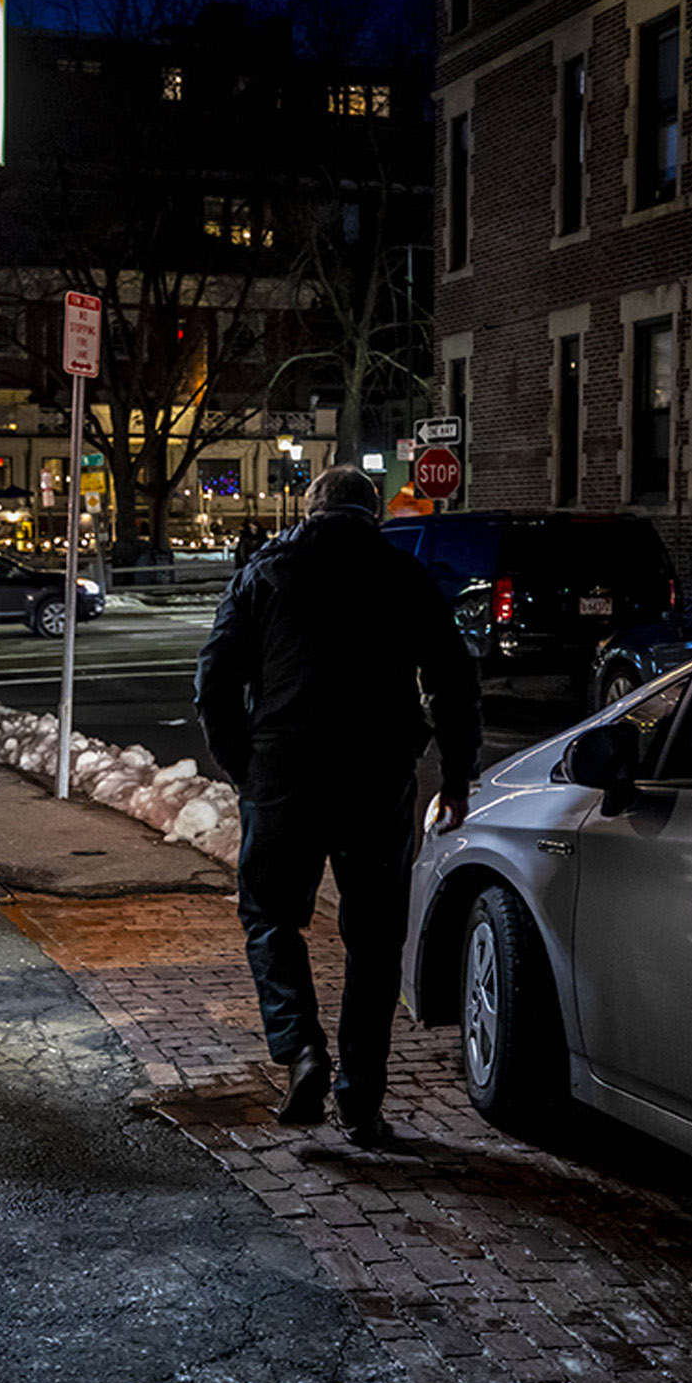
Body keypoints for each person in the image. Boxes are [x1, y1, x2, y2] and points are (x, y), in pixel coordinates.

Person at [194, 466, 479, 1146]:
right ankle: (361, 1100)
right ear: (372, 514)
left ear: (309, 509)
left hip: (285, 771)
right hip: (377, 775)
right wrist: (458, 776)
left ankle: (301, 1050)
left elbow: (213, 681)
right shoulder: (403, 576)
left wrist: (244, 766)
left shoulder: (264, 574)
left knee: (270, 914)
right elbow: (453, 681)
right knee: (376, 940)